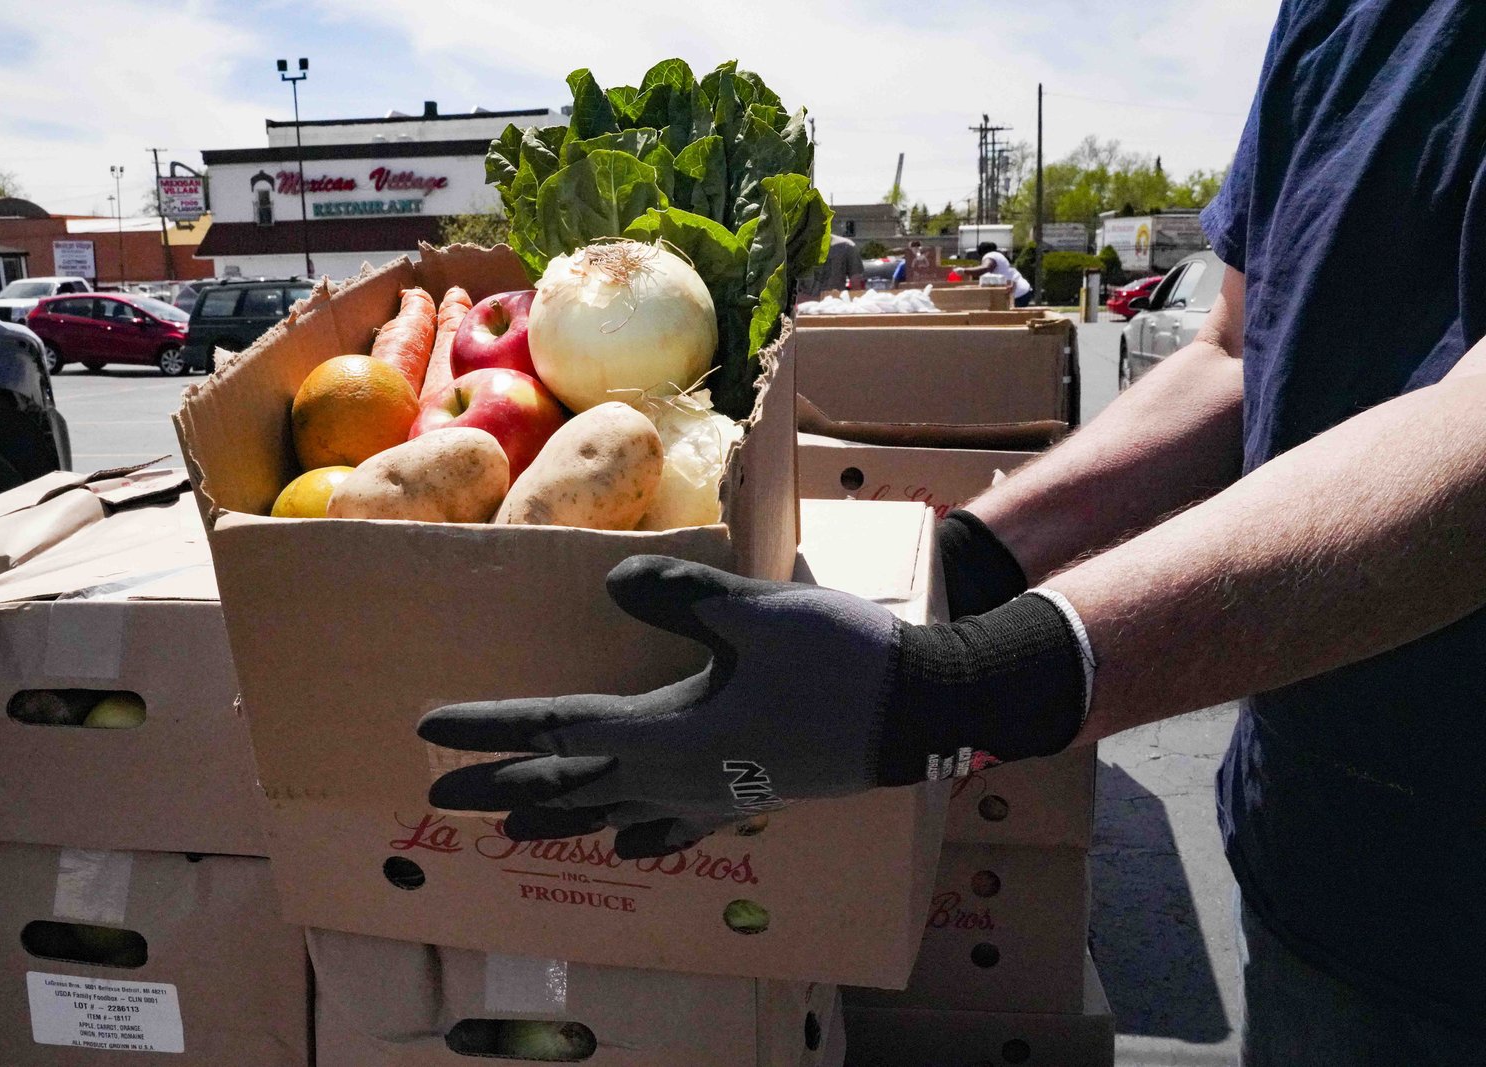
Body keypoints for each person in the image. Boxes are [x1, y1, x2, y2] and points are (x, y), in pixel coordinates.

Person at [422, 2, 1486, 1060]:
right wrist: (964, 561)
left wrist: (962, 687)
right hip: (1308, 859)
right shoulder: (1336, 16)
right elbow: (1237, 351)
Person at [958, 241, 1033, 306]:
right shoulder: (998, 256)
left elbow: (986, 268)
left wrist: (965, 271)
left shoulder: (991, 255)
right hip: (1021, 291)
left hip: (1018, 293)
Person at [797, 231, 864, 298]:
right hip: (828, 303)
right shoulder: (798, 247)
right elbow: (856, 284)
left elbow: (856, 283)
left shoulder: (846, 246)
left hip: (832, 304)